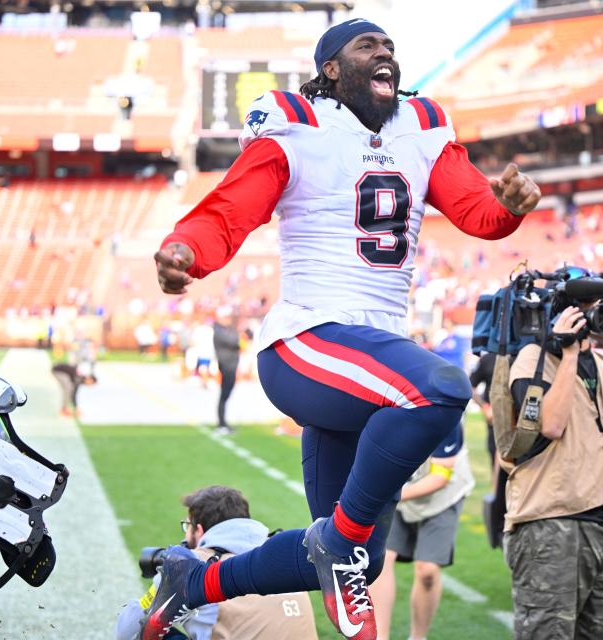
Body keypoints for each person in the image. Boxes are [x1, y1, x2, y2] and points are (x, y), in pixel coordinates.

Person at [150, 18, 540, 640]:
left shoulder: (421, 128)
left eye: (390, 45)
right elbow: (232, 208)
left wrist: (509, 208)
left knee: (353, 557)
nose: (385, 53)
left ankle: (192, 582)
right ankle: (341, 540)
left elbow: (475, 209)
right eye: (367, 46)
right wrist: (185, 251)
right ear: (330, 68)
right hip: (308, 340)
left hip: (373, 360)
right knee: (441, 388)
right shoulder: (298, 127)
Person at [503, 269, 603, 640]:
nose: (595, 314)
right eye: (587, 306)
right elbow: (551, 425)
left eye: (600, 305)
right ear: (563, 310)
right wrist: (568, 351)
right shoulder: (532, 359)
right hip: (551, 524)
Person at [116, 486, 317, 640]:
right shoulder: (282, 554)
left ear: (200, 529)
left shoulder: (193, 564)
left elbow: (126, 631)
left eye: (187, 526)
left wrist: (152, 592)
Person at [369, 424, 474, 640]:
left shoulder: (445, 414)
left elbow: (439, 478)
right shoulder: (384, 410)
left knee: (427, 571)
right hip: (397, 491)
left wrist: (389, 496)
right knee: (381, 560)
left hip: (442, 497)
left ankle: (418, 637)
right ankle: (380, 635)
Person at [213, 307, 241, 435]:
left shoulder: (226, 329)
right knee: (224, 396)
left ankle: (223, 422)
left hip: (231, 365)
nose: (229, 320)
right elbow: (234, 341)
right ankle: (221, 423)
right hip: (226, 366)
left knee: (225, 396)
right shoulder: (219, 331)